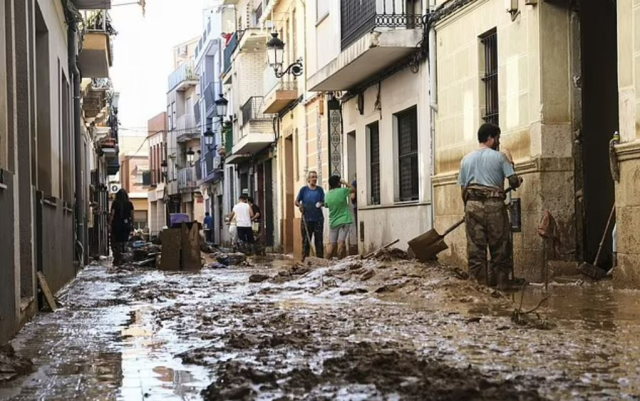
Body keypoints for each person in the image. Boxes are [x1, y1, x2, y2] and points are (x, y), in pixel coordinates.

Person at [458, 123, 522, 290]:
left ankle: (479, 289)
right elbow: (513, 181)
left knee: (475, 249)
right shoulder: (500, 157)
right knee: (500, 247)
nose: (498, 141)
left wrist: (468, 208)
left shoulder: (466, 159)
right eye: (497, 138)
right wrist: (515, 171)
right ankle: (502, 287)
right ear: (491, 138)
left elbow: (463, 189)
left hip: (472, 204)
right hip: (494, 205)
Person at [295, 171, 325, 259]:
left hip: (318, 219)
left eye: (315, 177)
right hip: (306, 219)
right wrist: (300, 206)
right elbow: (296, 201)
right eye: (312, 177)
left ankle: (320, 260)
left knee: (319, 241)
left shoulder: (320, 190)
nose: (314, 179)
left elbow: (324, 202)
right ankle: (305, 260)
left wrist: (321, 203)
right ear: (308, 179)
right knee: (305, 242)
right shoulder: (303, 190)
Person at [325, 175, 355, 259]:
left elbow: (326, 205)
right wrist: (345, 182)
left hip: (333, 221)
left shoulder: (327, 195)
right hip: (344, 220)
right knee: (341, 242)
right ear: (339, 183)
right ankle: (339, 260)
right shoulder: (342, 191)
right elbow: (353, 189)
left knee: (332, 243)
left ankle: (326, 261)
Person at [109, 189, 134, 267]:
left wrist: (110, 224)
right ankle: (123, 257)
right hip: (126, 225)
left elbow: (112, 214)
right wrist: (132, 225)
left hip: (116, 225)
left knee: (116, 241)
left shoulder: (115, 203)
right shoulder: (129, 204)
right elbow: (132, 215)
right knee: (124, 241)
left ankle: (117, 256)